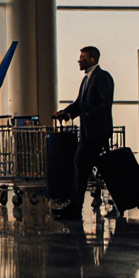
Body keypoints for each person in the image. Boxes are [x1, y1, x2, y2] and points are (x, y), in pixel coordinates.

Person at [52, 46, 114, 219]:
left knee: (81, 164)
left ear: (92, 59)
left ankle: (75, 205)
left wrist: (84, 114)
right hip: (89, 133)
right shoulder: (87, 79)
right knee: (83, 166)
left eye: (82, 57)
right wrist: (66, 112)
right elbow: (80, 103)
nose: (79, 60)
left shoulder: (102, 78)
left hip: (97, 133)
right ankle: (75, 204)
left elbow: (103, 106)